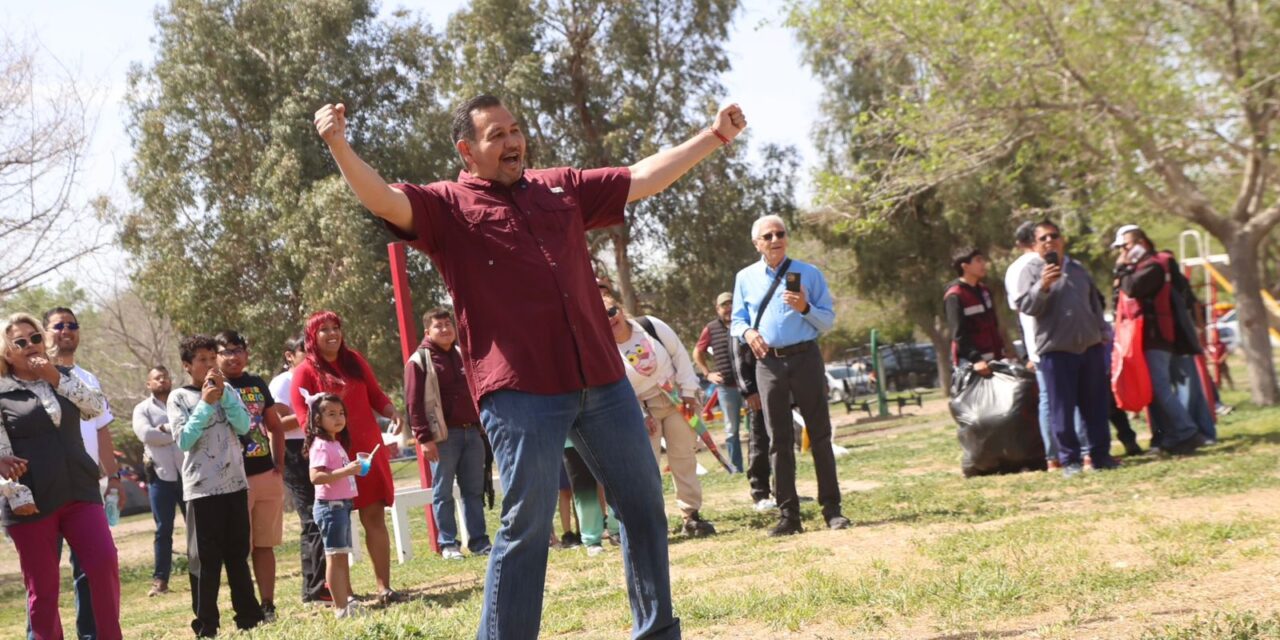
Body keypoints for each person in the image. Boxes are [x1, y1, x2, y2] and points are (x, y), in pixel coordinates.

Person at [315, 91, 746, 639]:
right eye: (496, 135)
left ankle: (657, 633)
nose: (512, 141)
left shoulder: (559, 187)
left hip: (602, 380)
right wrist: (339, 145)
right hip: (521, 393)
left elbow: (640, 177)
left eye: (515, 129)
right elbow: (383, 200)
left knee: (643, 508)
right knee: (527, 526)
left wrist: (714, 136)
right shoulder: (446, 205)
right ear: (466, 150)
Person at [2, 312, 122, 640]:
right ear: (7, 353)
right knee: (43, 590)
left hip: (80, 491)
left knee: (104, 564)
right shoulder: (2, 392)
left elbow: (95, 407)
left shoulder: (64, 377)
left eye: (35, 338)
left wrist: (54, 376)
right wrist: (12, 491)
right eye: (20, 342)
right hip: (32, 501)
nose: (31, 345)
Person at [731, 215, 849, 536]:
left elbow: (827, 322)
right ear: (756, 243)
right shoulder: (745, 278)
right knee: (778, 441)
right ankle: (789, 516)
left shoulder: (809, 273)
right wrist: (748, 333)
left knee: (820, 435)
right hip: (768, 364)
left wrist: (805, 308)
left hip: (806, 358)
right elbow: (737, 321)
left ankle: (832, 510)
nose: (775, 240)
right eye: (768, 236)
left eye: (780, 234)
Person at [289, 311, 403, 605]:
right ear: (312, 337)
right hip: (334, 455)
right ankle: (346, 595)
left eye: (336, 328)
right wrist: (325, 445)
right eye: (324, 329)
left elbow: (376, 395)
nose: (332, 334)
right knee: (338, 524)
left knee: (374, 517)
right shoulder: (304, 371)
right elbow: (303, 417)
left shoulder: (354, 360)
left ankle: (384, 588)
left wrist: (392, 412)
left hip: (367, 449)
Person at [169, 334, 264, 637]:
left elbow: (244, 426)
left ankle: (249, 617)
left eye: (213, 358)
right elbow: (184, 440)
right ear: (187, 365)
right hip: (202, 490)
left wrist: (223, 397)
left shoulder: (229, 391)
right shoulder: (178, 398)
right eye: (202, 360)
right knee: (205, 562)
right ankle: (206, 624)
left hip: (234, 485)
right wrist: (206, 404)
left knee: (237, 555)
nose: (210, 365)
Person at [32, 306, 118, 640]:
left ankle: (90, 635)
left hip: (85, 488)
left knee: (92, 569)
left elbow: (102, 429)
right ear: (43, 332)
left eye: (72, 324)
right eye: (58, 326)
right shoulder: (28, 379)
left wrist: (114, 478)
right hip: (43, 489)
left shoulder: (88, 380)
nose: (66, 330)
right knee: (42, 578)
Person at [604, 293, 717, 537]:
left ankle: (691, 516)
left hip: (678, 400)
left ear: (620, 310)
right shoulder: (606, 349)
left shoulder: (650, 326)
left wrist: (689, 392)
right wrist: (640, 415)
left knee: (683, 458)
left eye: (612, 311)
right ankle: (654, 523)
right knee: (647, 468)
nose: (610, 319)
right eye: (602, 317)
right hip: (644, 410)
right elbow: (617, 387)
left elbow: (680, 356)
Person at [1014, 221, 1117, 477]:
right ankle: (1070, 461)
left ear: (1063, 240)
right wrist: (1043, 286)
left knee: (1095, 406)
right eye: (1043, 238)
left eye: (1054, 236)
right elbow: (1026, 306)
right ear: (1035, 245)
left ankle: (1100, 456)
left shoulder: (1077, 269)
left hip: (1090, 347)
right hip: (1056, 351)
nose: (1050, 241)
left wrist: (1102, 331)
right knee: (1062, 409)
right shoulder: (1030, 271)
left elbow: (1094, 303)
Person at [404, 308, 492, 559]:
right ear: (427, 332)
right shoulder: (419, 361)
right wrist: (424, 439)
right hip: (442, 438)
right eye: (438, 326)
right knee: (442, 492)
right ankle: (448, 544)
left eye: (447, 324)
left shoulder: (462, 355)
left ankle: (479, 542)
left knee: (474, 490)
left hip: (471, 433)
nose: (445, 329)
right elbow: (413, 404)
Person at [1115, 226, 1213, 452]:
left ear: (1142, 242)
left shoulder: (1154, 265)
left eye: (1126, 246)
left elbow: (1132, 288)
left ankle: (1188, 431)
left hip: (1161, 336)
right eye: (1120, 247)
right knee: (1156, 389)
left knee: (1164, 388)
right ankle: (1169, 436)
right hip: (1147, 337)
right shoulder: (1140, 267)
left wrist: (1121, 269)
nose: (1123, 251)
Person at [215, 330, 287, 620]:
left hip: (265, 474)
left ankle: (268, 605)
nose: (232, 357)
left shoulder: (257, 383)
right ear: (216, 356)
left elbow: (275, 426)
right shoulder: (212, 386)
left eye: (237, 350)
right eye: (226, 351)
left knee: (265, 544)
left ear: (246, 354)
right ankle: (247, 608)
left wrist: (279, 464)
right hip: (233, 480)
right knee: (240, 547)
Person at [269, 335, 329, 604]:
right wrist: (311, 413)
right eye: (305, 351)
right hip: (294, 452)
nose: (311, 356)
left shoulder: (318, 377)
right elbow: (277, 424)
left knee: (323, 516)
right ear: (289, 356)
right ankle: (315, 589)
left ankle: (321, 586)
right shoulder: (281, 383)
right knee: (312, 519)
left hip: (318, 447)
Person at [304, 391, 362, 619]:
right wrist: (346, 471)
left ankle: (345, 601)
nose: (338, 418)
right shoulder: (320, 445)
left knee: (341, 556)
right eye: (331, 414)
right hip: (331, 506)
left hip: (342, 505)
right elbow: (316, 477)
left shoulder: (334, 442)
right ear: (318, 419)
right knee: (335, 557)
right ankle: (340, 607)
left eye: (341, 413)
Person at [131, 365, 186, 597]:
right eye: (157, 378)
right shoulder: (142, 409)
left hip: (188, 475)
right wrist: (178, 432)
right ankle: (160, 580)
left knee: (198, 526)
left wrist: (163, 430)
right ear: (149, 383)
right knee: (164, 529)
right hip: (160, 477)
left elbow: (195, 428)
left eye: (165, 377)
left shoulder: (182, 402)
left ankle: (204, 571)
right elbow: (147, 435)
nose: (162, 380)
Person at [694, 292, 744, 472]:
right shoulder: (711, 328)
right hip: (726, 387)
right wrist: (707, 374)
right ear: (717, 309)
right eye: (724, 305)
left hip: (750, 386)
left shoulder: (744, 323)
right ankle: (736, 468)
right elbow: (697, 352)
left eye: (731, 304)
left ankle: (762, 465)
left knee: (757, 426)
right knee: (731, 429)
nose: (728, 308)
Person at [730, 323, 774, 512]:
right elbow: (737, 360)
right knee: (759, 443)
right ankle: (760, 494)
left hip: (776, 387)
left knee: (782, 441)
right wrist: (748, 391)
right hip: (756, 393)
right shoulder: (741, 325)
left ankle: (784, 491)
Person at [944, 248, 1004, 374]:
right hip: (972, 365)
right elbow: (958, 334)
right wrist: (976, 359)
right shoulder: (955, 295)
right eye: (978, 260)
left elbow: (993, 324)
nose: (983, 263)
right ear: (965, 266)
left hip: (993, 361)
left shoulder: (984, 291)